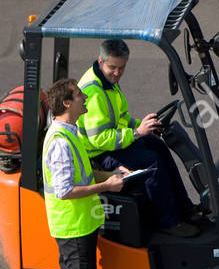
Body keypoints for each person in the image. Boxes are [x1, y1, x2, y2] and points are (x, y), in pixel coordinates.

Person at [42, 78, 125, 269]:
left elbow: (83, 172)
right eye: (79, 96)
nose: (86, 99)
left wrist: (109, 174)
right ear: (66, 103)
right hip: (74, 225)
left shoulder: (68, 132)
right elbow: (65, 190)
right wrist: (106, 186)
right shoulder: (62, 142)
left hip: (75, 223)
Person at [77, 38, 201, 238]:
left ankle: (184, 208)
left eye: (122, 68)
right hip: (99, 154)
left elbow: (121, 117)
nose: (117, 73)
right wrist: (136, 133)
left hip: (113, 144)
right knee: (151, 163)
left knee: (157, 146)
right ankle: (169, 222)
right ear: (101, 62)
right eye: (113, 67)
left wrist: (141, 125)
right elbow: (98, 139)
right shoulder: (94, 92)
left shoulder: (108, 82)